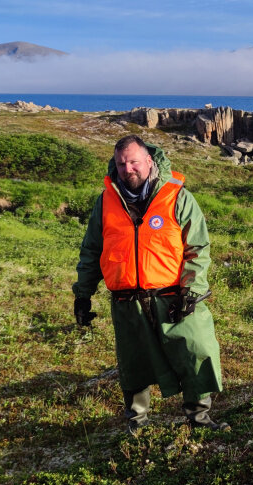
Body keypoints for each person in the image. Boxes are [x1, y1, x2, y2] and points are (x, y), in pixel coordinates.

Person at [72, 134, 227, 432]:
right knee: (134, 364)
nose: (127, 169)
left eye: (133, 162)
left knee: (195, 350)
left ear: (148, 160)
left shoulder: (178, 196)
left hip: (174, 297)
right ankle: (137, 423)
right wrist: (83, 294)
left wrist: (191, 290)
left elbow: (197, 247)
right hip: (127, 301)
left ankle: (199, 418)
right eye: (121, 164)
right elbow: (91, 251)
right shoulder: (105, 202)